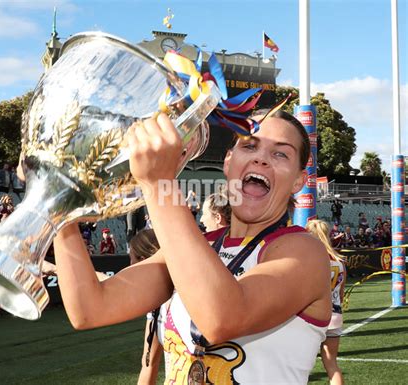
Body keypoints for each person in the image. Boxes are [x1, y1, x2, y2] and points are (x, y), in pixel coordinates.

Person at [53, 110, 331, 384]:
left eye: (280, 153)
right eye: (250, 145)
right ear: (228, 162)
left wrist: (159, 183)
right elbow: (91, 308)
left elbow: (221, 318)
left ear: (298, 180)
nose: (261, 158)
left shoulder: (305, 252)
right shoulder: (198, 247)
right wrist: (57, 207)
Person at [306, 219, 346, 385]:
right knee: (332, 366)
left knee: (300, 367)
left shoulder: (310, 259)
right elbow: (341, 294)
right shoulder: (340, 261)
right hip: (335, 315)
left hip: (313, 316)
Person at [128, 229, 169, 384]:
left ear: (144, 260)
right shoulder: (155, 301)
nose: (130, 264)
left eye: (131, 258)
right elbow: (148, 363)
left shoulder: (182, 296)